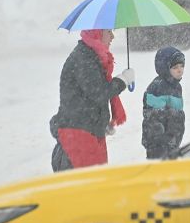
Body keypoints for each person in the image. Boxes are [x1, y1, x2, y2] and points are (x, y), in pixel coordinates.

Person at [50, 29, 134, 170]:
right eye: (109, 31)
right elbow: (99, 92)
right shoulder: (83, 58)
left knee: (97, 184)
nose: (113, 36)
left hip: (88, 133)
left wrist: (100, 124)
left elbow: (89, 99)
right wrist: (122, 81)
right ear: (97, 33)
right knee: (86, 187)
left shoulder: (93, 56)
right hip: (78, 137)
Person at [142, 47, 186, 160]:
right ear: (165, 69)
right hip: (159, 146)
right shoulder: (158, 87)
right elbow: (153, 119)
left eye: (182, 66)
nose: (180, 70)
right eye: (175, 67)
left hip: (172, 143)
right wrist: (162, 145)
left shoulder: (176, 86)